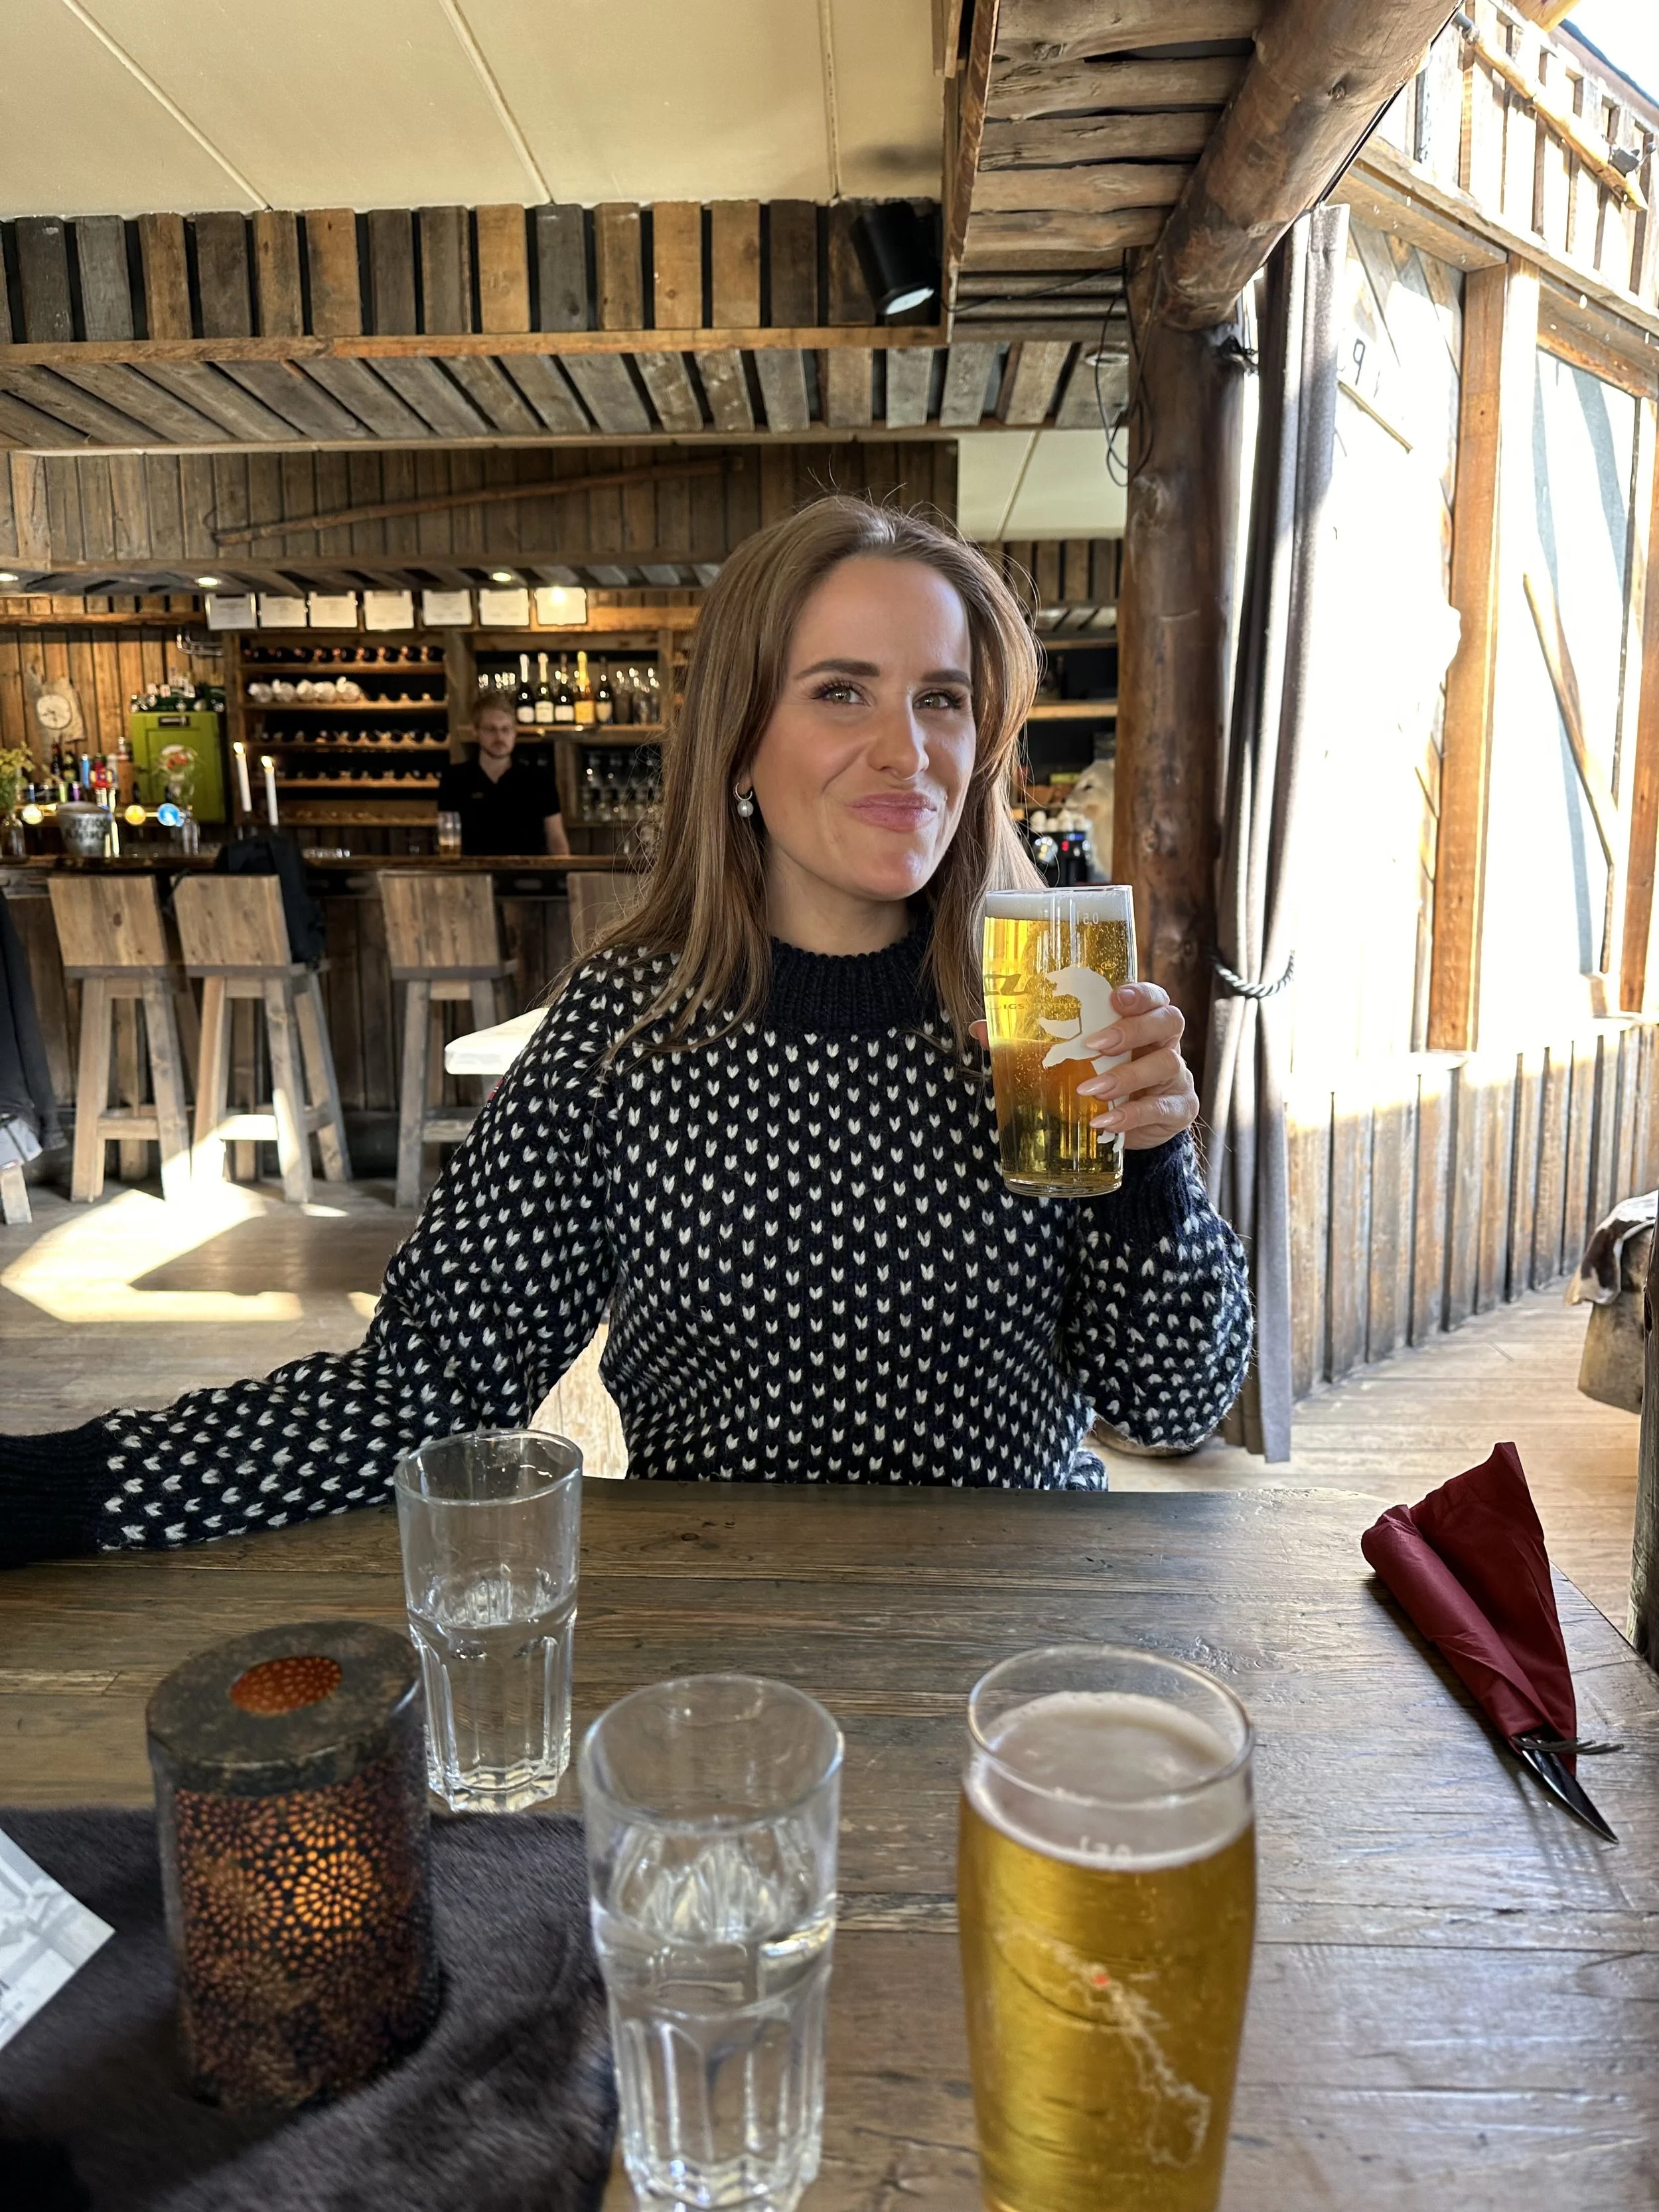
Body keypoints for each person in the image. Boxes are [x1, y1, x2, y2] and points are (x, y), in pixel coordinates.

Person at [0, 499, 1250, 1567]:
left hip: (1010, 1654)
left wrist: (1149, 1174)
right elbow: (422, 1392)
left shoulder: (1035, 1009)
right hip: (716, 1663)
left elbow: (1174, 1404)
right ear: (742, 741)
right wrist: (52, 1491)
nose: (905, 748)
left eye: (943, 698)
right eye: (840, 692)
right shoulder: (632, 1027)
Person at [436, 696, 569, 855]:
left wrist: (564, 875)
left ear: (515, 733)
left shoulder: (538, 779)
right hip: (474, 875)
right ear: (476, 732)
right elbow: (447, 836)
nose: (500, 737)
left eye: (506, 729)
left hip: (528, 876)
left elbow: (556, 838)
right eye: (491, 730)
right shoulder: (455, 778)